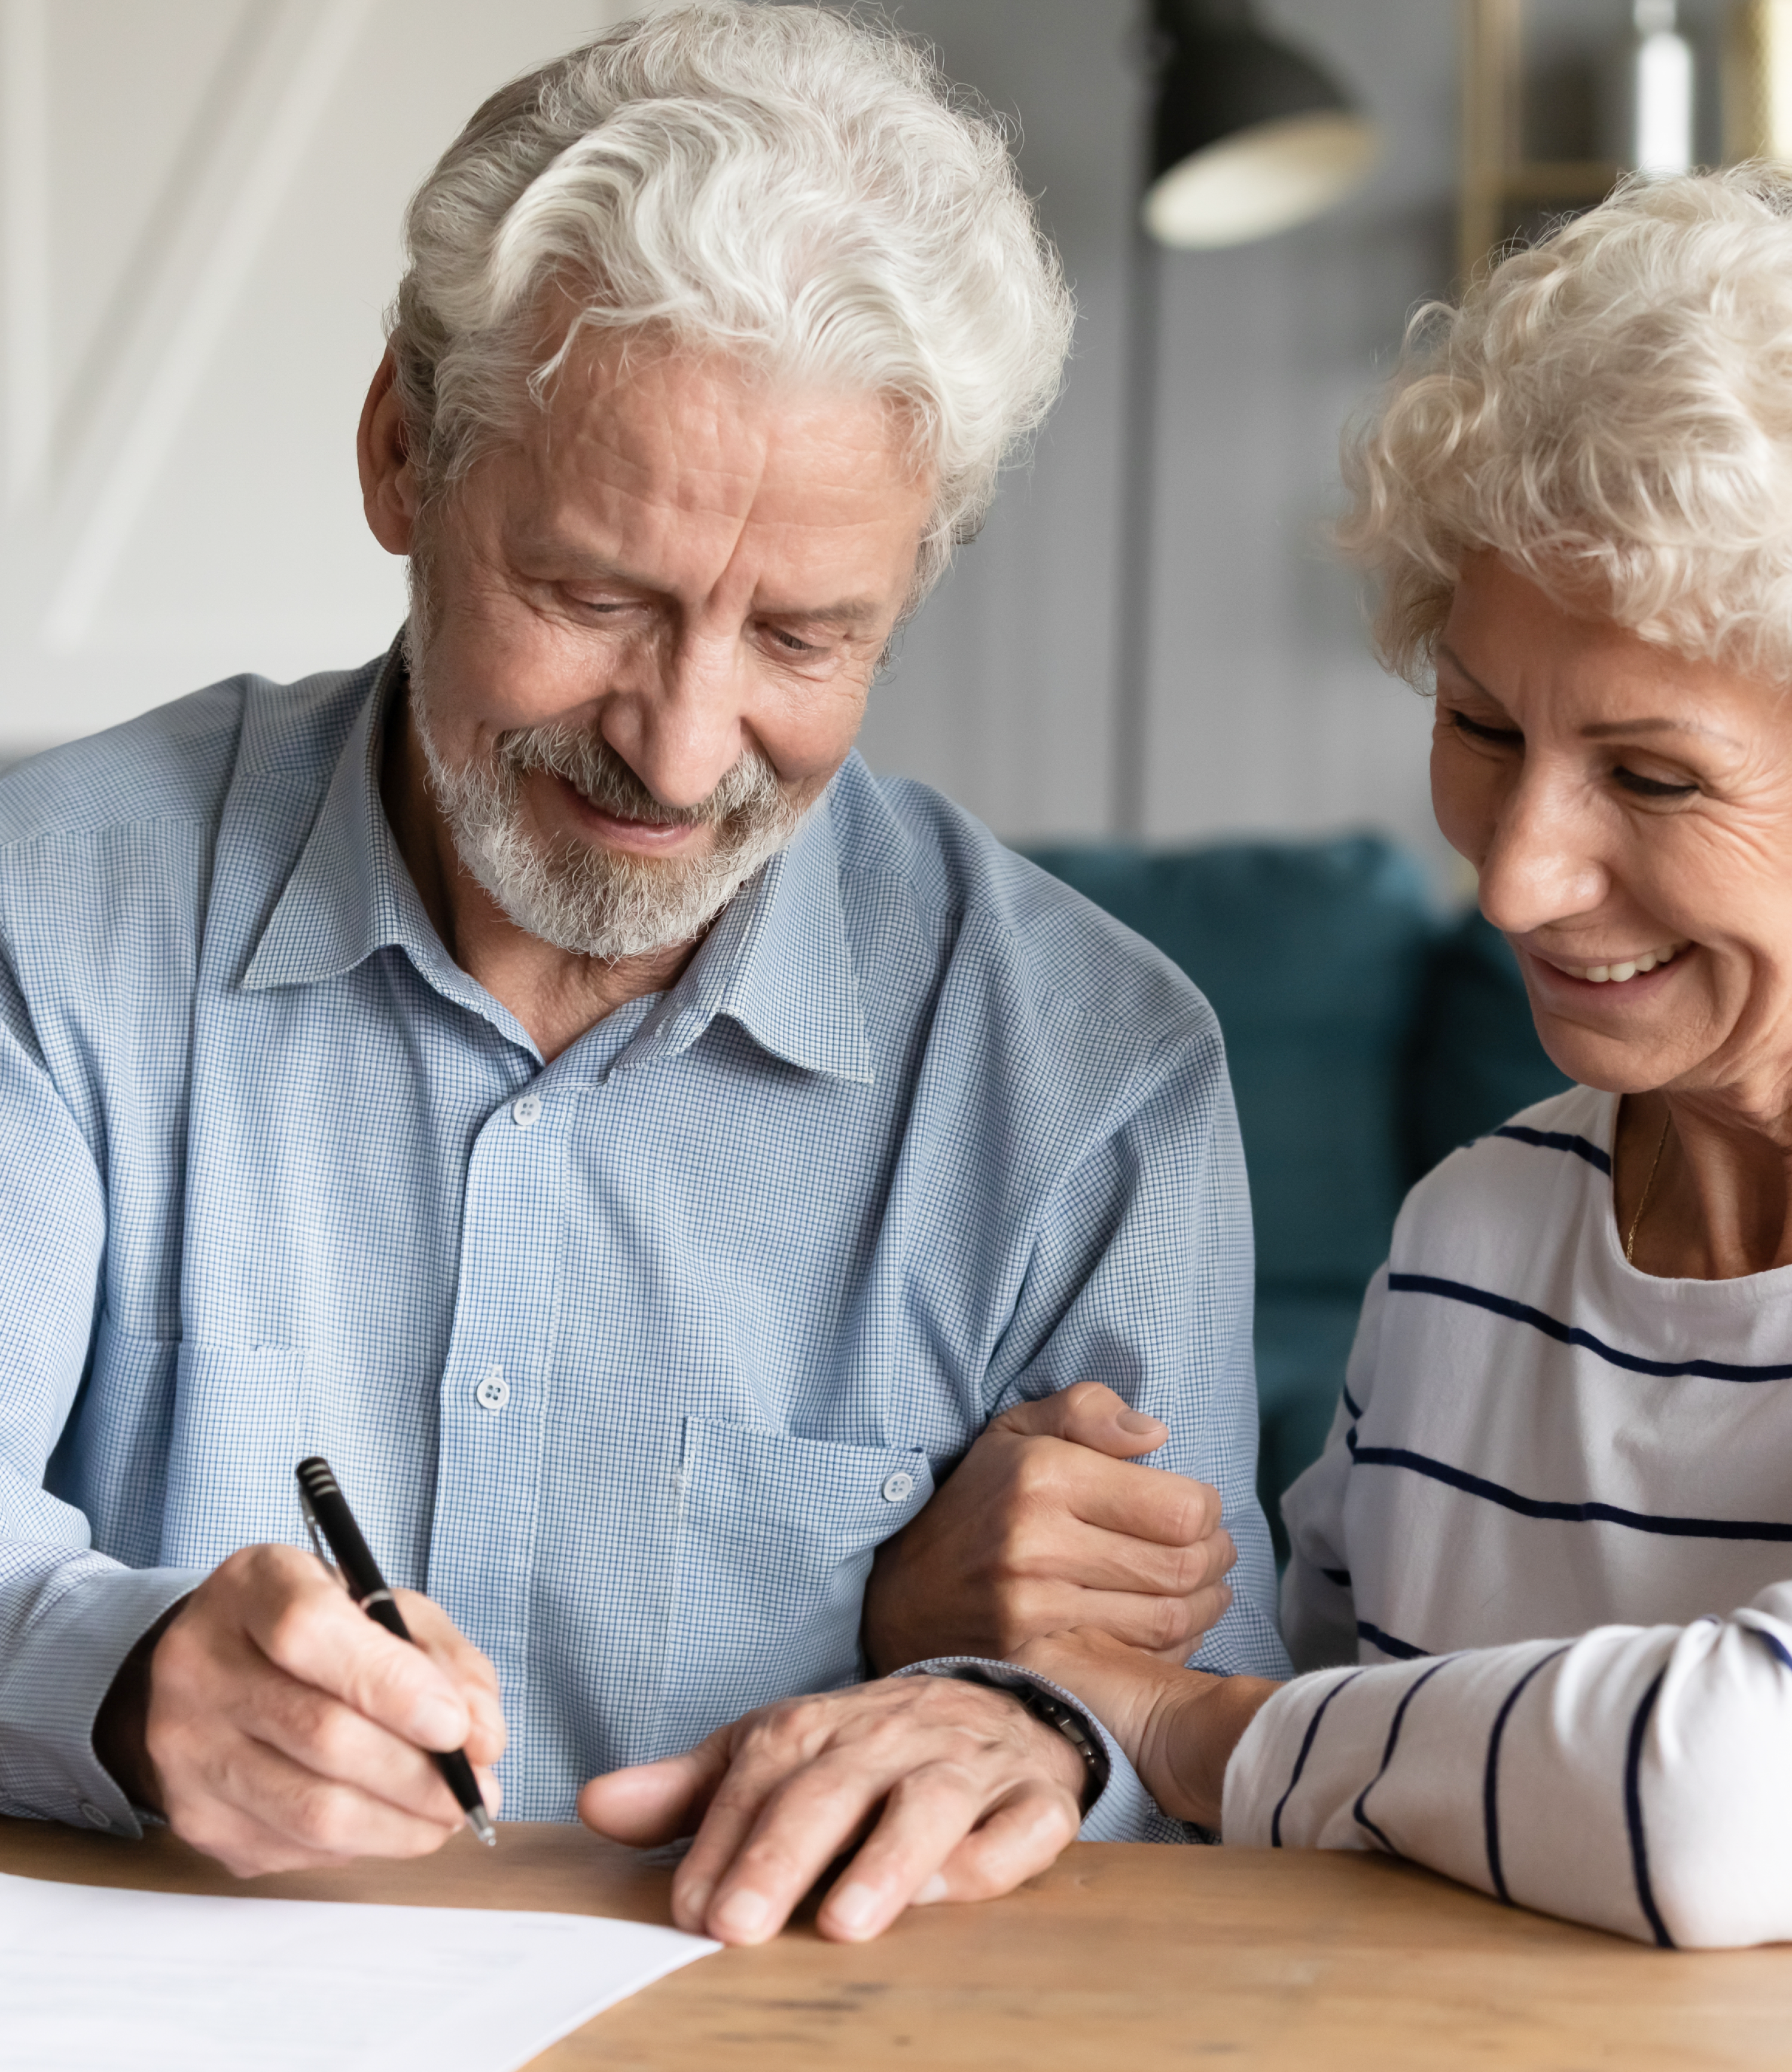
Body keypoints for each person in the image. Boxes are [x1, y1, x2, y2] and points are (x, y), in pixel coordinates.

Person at [0, 1, 1283, 1946]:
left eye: (800, 636)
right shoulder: (49, 914)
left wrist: (1022, 1722)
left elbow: (1196, 1735)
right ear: (399, 457)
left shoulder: (1093, 1078)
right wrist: (116, 1674)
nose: (680, 753)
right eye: (591, 598)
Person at [1016, 165, 1792, 1950]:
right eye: (1477, 725)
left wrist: (1202, 1729)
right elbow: (1315, 1811)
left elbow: (1725, 1804)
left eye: (1652, 777)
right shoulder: (1471, 1235)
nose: (1512, 873)